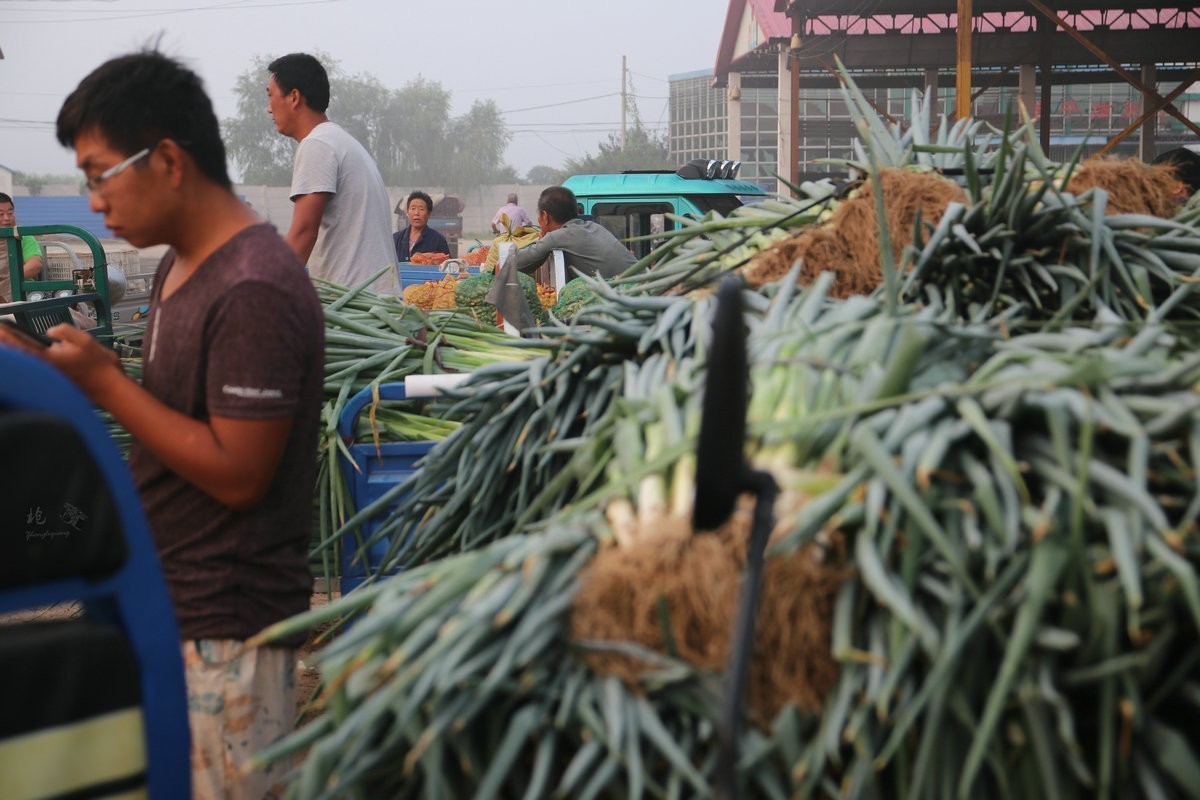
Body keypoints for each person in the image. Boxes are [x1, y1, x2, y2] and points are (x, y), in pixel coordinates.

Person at [0, 50, 325, 800]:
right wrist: (51, 372)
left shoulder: (254, 285)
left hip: (228, 630)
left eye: (99, 175)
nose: (94, 204)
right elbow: (177, 420)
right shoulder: (181, 266)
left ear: (170, 160)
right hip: (172, 607)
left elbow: (239, 474)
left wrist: (106, 385)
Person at [267, 52, 395, 292]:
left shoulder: (317, 145)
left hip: (356, 302)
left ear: (294, 97)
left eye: (270, 96)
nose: (268, 109)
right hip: (373, 299)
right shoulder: (339, 141)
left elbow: (303, 233)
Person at [515, 185, 636, 279]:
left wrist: (541, 238)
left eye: (539, 214)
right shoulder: (596, 227)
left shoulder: (558, 237)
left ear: (545, 216)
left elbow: (517, 262)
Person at [0, 191, 47, 302]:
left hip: (22, 297)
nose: (6, 218)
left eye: (10, 213)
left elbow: (35, 265)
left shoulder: (24, 237)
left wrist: (7, 282)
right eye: (0, 214)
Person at [393, 190, 450, 262]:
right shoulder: (396, 239)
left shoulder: (438, 240)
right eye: (413, 208)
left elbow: (447, 265)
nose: (416, 213)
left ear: (429, 214)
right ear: (407, 213)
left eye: (421, 209)